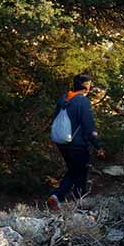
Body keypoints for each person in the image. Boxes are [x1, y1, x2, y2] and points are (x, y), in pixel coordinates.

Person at [48, 74, 105, 209]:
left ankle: (59, 197)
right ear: (86, 86)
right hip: (76, 143)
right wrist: (98, 146)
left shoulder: (63, 99)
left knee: (73, 170)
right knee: (80, 172)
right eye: (90, 84)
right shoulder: (83, 101)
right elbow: (88, 125)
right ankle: (77, 202)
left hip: (61, 142)